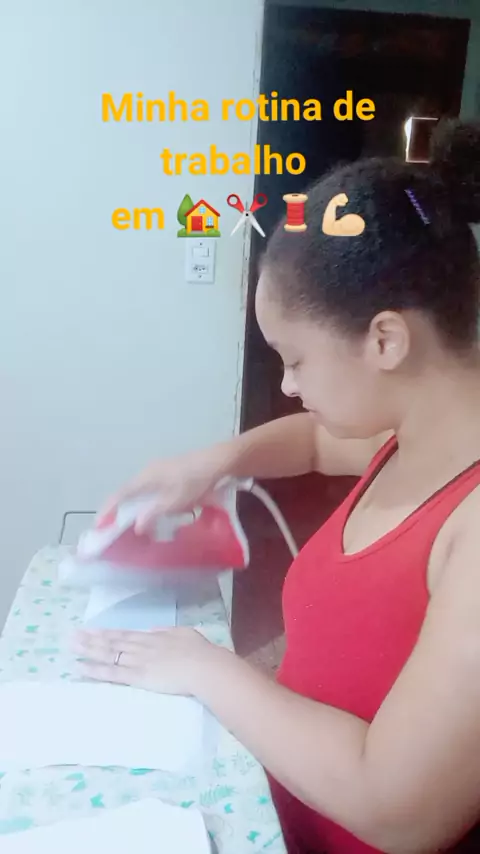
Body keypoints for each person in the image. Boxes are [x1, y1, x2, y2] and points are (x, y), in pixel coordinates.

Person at [74, 119, 480, 854]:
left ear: (385, 340)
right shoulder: (412, 437)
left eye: (295, 360)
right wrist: (213, 463)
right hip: (274, 803)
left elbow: (399, 811)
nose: (288, 387)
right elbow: (317, 443)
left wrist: (207, 669)